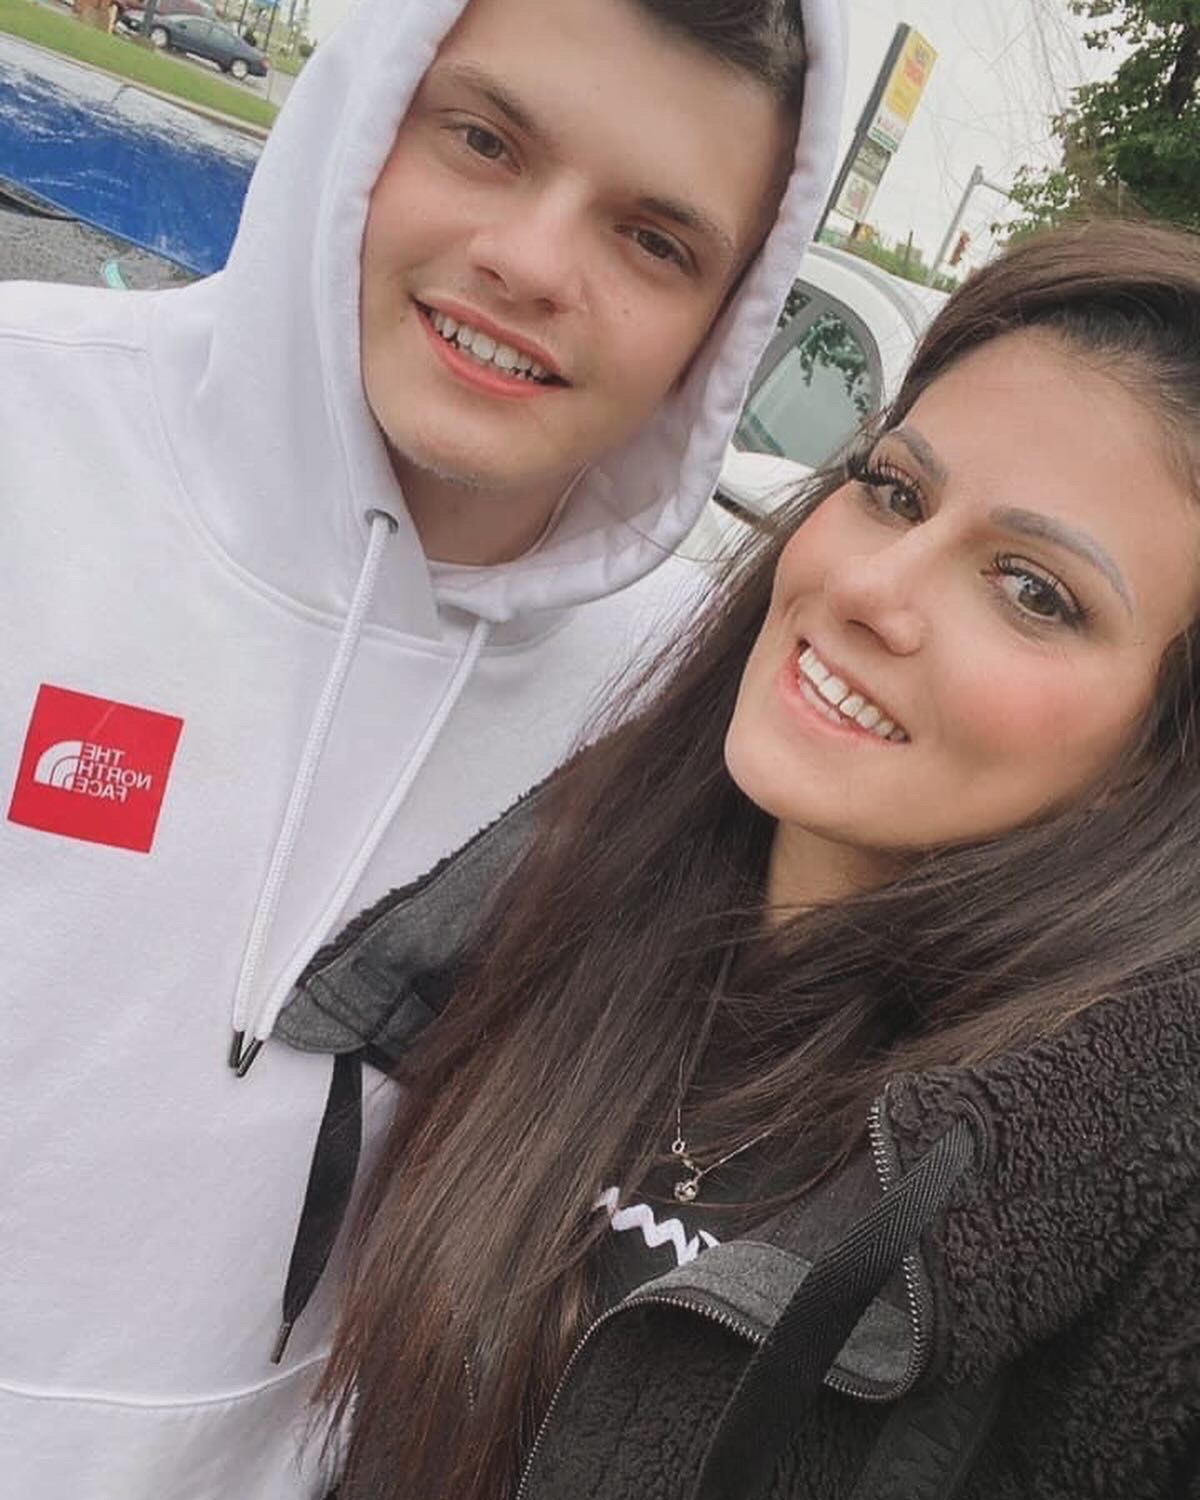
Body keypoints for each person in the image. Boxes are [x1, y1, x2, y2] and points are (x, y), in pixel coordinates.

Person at [0, 0, 847, 1496]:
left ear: (727, 324)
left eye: (656, 240)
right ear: (364, 119)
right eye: (483, 138)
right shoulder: (32, 425)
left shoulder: (686, 699)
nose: (532, 262)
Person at [279, 219, 1200, 1500]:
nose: (876, 587)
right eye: (895, 491)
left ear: (1159, 768)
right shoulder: (563, 901)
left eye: (1035, 591)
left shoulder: (1123, 1219)